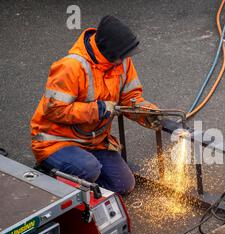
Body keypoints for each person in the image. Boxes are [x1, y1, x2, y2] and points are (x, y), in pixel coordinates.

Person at [30, 15, 159, 194]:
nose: (125, 60)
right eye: (122, 56)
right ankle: (51, 175)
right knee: (89, 169)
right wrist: (98, 109)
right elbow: (54, 110)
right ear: (109, 52)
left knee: (123, 185)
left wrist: (146, 113)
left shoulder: (121, 61)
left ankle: (81, 180)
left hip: (93, 141)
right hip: (57, 142)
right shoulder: (71, 67)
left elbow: (130, 97)